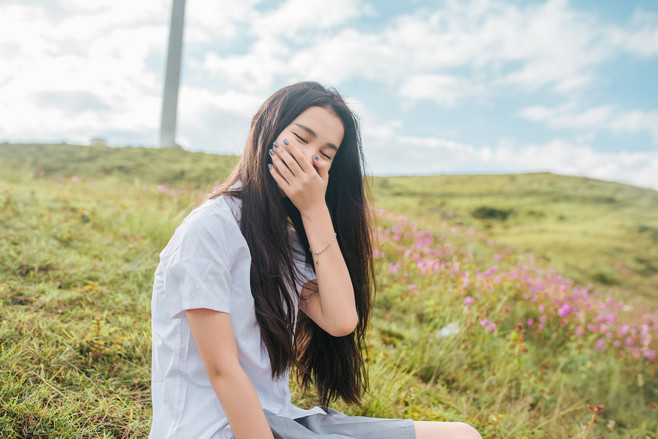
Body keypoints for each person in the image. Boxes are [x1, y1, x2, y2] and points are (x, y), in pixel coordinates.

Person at [150, 81, 481, 439]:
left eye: (325, 153)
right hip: (216, 429)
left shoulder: (284, 239)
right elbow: (222, 371)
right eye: (302, 138)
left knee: (461, 435)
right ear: (266, 130)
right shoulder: (210, 226)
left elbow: (340, 320)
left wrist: (314, 210)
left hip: (282, 421)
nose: (311, 158)